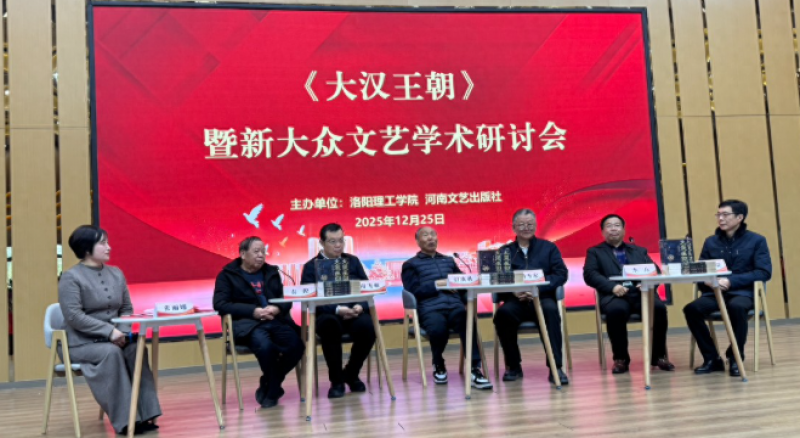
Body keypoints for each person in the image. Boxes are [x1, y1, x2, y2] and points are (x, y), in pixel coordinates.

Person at [58, 225, 161, 435]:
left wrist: (121, 332)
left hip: (115, 338)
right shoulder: (71, 277)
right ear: (87, 248)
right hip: (80, 343)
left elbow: (126, 309)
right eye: (103, 243)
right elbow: (74, 316)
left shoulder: (116, 273)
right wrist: (108, 332)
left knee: (136, 349)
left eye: (108, 242)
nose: (109, 247)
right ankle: (125, 421)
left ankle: (146, 415)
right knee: (111, 353)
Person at [213, 236, 304, 408]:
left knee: (297, 345)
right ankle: (273, 389)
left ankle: (270, 383)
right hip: (248, 324)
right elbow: (220, 304)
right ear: (243, 254)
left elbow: (285, 299)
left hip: (274, 320)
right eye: (256, 251)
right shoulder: (227, 275)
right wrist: (252, 311)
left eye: (263, 251)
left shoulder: (271, 272)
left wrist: (277, 308)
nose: (261, 255)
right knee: (265, 346)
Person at [684, 200, 771, 377]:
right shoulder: (711, 242)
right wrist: (707, 281)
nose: (721, 218)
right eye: (718, 215)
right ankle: (712, 358)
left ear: (740, 217)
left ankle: (735, 357)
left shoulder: (757, 240)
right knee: (691, 310)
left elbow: (763, 272)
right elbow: (701, 269)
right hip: (715, 293)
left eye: (725, 214)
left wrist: (731, 281)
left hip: (743, 292)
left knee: (736, 307)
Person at [401, 226, 492, 389]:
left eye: (433, 234)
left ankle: (474, 369)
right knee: (438, 328)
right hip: (430, 308)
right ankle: (438, 363)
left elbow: (462, 282)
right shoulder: (410, 265)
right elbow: (413, 291)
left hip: (455, 306)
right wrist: (438, 284)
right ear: (417, 241)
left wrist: (468, 285)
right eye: (425, 235)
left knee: (468, 321)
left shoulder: (449, 260)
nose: (430, 238)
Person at [583, 214, 675, 374]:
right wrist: (612, 287)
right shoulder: (595, 252)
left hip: (641, 294)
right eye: (609, 226)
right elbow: (590, 274)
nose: (613, 229)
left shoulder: (639, 250)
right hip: (614, 295)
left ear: (624, 230)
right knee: (616, 311)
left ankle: (659, 356)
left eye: (617, 225)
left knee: (659, 309)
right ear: (603, 231)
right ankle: (621, 359)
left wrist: (646, 283)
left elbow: (655, 272)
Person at [493, 209, 570, 385]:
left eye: (530, 224)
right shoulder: (504, 252)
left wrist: (538, 289)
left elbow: (560, 274)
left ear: (535, 226)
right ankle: (513, 366)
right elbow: (497, 279)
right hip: (515, 300)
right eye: (521, 224)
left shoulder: (549, 248)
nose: (526, 228)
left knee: (551, 311)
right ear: (514, 227)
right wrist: (513, 291)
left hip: (542, 298)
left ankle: (556, 367)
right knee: (503, 315)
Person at [299, 223, 376, 399]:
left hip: (354, 312)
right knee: (329, 325)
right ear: (321, 243)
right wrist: (338, 309)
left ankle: (351, 373)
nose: (338, 245)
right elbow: (308, 297)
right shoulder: (311, 266)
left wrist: (359, 306)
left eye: (341, 240)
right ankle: (337, 380)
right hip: (328, 314)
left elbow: (366, 289)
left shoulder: (352, 261)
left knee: (368, 327)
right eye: (333, 241)